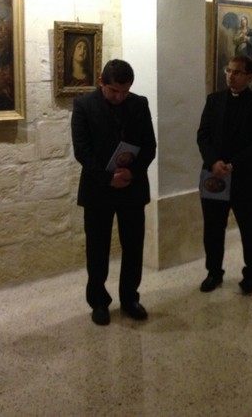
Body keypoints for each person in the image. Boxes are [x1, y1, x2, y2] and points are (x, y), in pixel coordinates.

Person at [71, 59, 156, 326]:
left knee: (133, 246)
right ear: (101, 82)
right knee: (97, 248)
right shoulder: (84, 105)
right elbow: (82, 150)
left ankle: (130, 298)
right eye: (114, 91)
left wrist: (132, 172)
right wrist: (109, 178)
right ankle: (98, 301)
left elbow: (149, 146)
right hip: (98, 189)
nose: (120, 97)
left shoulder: (139, 104)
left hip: (132, 187)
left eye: (125, 91)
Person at [197, 55, 252, 294]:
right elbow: (203, 136)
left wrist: (233, 165)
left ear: (249, 76)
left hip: (244, 178)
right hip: (214, 175)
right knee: (213, 229)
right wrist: (214, 162)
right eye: (228, 71)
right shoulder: (214, 101)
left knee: (249, 229)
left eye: (237, 72)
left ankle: (251, 275)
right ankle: (214, 272)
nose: (231, 76)